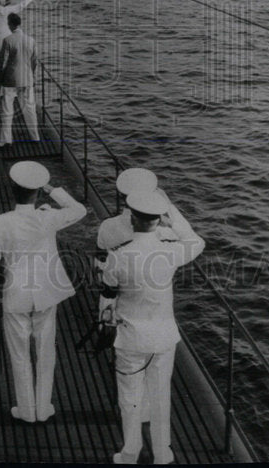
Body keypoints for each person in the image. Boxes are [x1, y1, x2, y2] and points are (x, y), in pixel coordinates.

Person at [100, 189, 205, 465]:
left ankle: (130, 452)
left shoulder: (118, 256)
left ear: (132, 219)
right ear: (158, 220)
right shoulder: (170, 251)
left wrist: (103, 322)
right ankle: (162, 453)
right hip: (163, 337)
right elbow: (196, 240)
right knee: (160, 397)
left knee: (130, 398)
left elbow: (108, 293)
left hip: (129, 337)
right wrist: (170, 208)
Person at [0, 161, 86, 424]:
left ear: (12, 189)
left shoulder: (0, 222)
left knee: (19, 354)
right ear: (37, 193)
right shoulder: (47, 216)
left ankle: (26, 411)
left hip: (14, 293)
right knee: (45, 352)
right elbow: (79, 210)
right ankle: (43, 409)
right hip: (44, 293)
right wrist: (51, 189)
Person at [0, 12, 40, 146]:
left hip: (10, 80)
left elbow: (3, 62)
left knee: (7, 110)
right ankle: (35, 137)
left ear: (10, 24)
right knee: (30, 109)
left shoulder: (8, 40)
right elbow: (35, 61)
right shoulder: (31, 40)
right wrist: (33, 76)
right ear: (19, 24)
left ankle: (6, 140)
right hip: (27, 79)